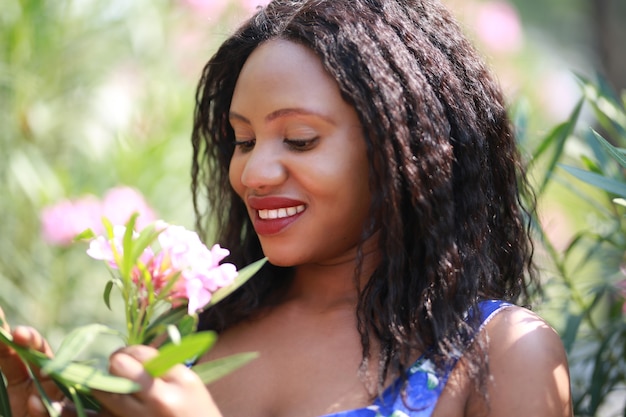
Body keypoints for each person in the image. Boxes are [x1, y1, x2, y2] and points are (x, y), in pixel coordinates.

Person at [0, 0, 572, 416]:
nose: (253, 172)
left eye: (299, 140)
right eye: (243, 140)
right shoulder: (185, 341)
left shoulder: (506, 355)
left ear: (406, 149)